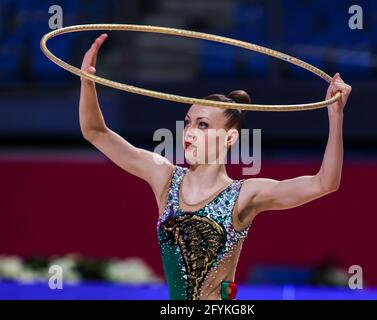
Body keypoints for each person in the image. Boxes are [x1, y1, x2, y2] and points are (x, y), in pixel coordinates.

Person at [79, 34, 352, 300]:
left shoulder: (245, 194)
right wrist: (87, 81)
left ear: (230, 137)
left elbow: (325, 183)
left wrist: (335, 115)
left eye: (203, 125)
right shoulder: (164, 176)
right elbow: (96, 132)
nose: (189, 132)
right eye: (187, 122)